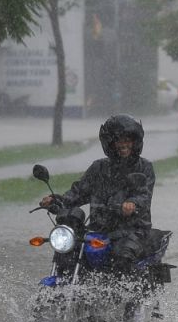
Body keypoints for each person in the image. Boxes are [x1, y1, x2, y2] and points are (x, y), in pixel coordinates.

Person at [40, 114, 155, 274]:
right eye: (118, 140)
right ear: (110, 143)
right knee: (68, 251)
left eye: (127, 139)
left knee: (122, 256)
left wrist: (132, 204)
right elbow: (77, 193)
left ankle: (127, 296)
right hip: (98, 230)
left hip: (132, 230)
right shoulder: (98, 168)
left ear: (135, 141)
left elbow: (143, 195)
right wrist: (55, 200)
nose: (123, 144)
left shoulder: (145, 168)